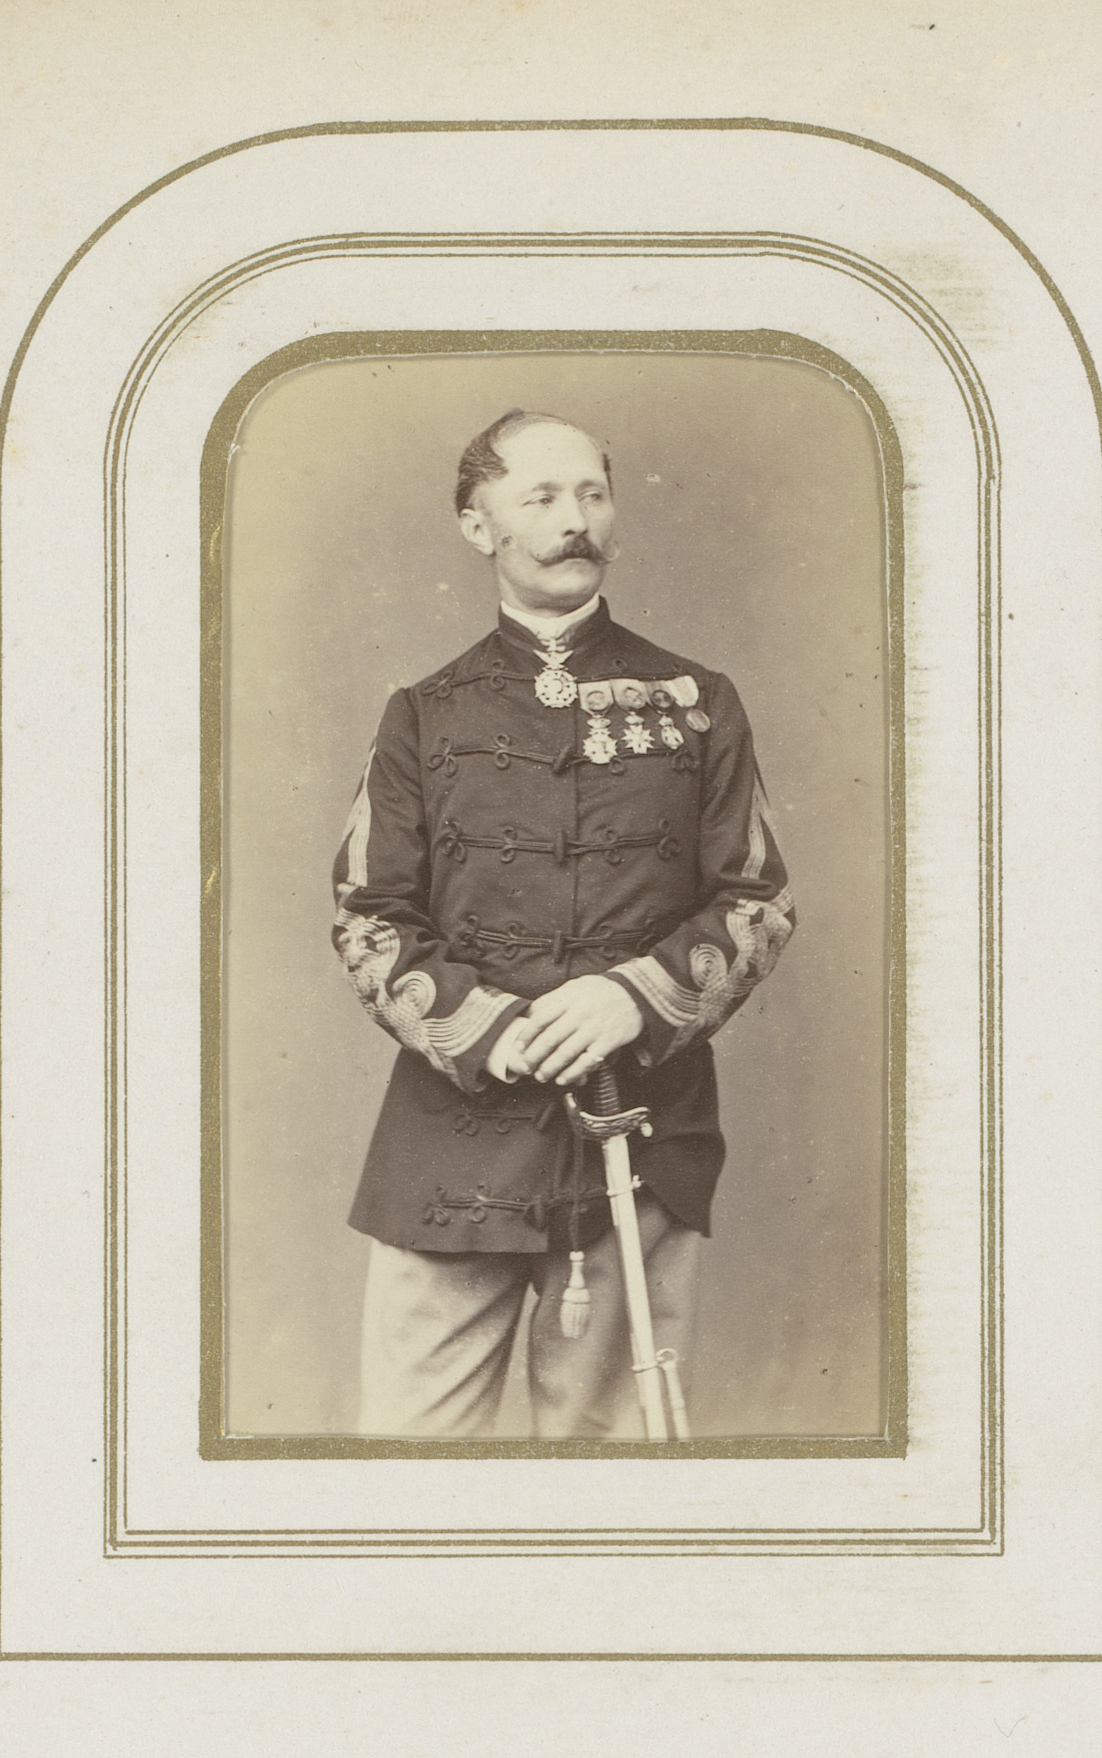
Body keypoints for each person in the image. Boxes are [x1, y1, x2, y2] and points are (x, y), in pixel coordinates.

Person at [332, 408, 794, 1439]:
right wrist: (489, 1028)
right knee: (408, 1472)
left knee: (615, 1470)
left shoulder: (700, 701)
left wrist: (634, 998)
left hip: (640, 1138)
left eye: (591, 493)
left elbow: (758, 900)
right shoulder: (421, 713)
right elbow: (368, 918)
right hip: (452, 1148)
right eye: (540, 496)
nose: (574, 519)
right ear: (477, 524)